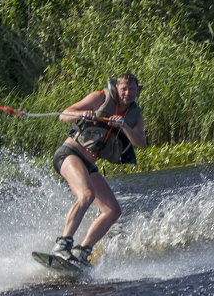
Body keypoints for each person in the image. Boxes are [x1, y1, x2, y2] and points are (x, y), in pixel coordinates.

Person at [50, 72, 146, 265]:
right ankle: (62, 245)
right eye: (124, 89)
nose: (127, 93)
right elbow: (63, 115)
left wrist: (124, 126)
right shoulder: (100, 97)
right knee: (87, 195)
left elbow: (141, 143)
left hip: (89, 165)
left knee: (113, 210)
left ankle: (82, 251)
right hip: (70, 153)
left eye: (132, 90)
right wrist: (81, 114)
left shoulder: (135, 116)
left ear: (137, 92)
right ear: (116, 88)